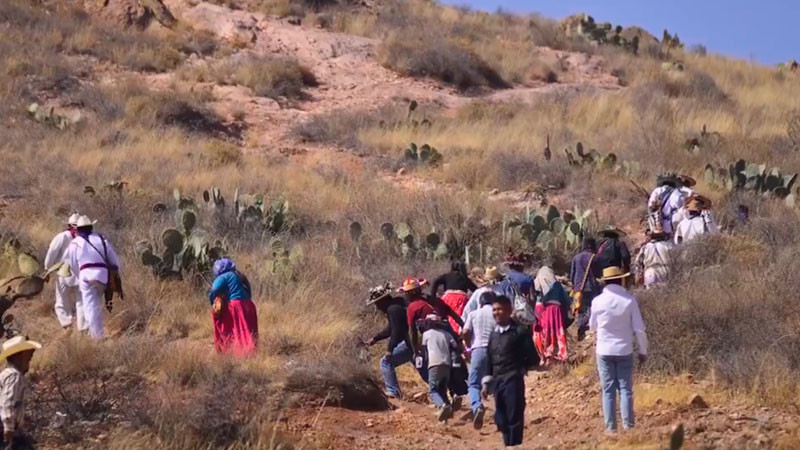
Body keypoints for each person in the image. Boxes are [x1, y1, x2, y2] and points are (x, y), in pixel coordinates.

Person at [590, 267, 648, 434]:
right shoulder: (629, 300)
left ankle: (611, 429)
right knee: (625, 389)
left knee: (607, 390)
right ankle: (628, 427)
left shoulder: (597, 301)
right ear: (621, 280)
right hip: (624, 350)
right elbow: (639, 329)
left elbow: (593, 326)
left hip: (604, 350)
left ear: (605, 282)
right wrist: (643, 350)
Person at [481, 295, 539, 447]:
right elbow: (489, 358)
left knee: (514, 415)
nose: (496, 313)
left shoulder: (519, 333)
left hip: (513, 379)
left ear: (509, 310)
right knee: (500, 418)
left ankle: (514, 445)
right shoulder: (493, 335)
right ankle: (508, 444)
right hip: (497, 382)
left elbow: (533, 358)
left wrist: (521, 367)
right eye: (494, 310)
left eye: (500, 309)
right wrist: (486, 383)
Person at [67, 216, 121, 340]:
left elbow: (73, 264)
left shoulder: (75, 243)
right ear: (91, 227)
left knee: (90, 305)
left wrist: (79, 274)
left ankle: (96, 336)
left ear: (78, 229)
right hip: (102, 276)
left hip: (86, 276)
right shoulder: (102, 239)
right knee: (96, 303)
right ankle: (97, 333)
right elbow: (115, 261)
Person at [366, 285, 415, 399]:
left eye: (377, 303)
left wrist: (390, 349)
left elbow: (396, 331)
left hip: (410, 342)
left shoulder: (393, 309)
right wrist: (375, 338)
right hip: (415, 341)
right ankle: (442, 394)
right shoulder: (398, 304)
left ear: (383, 300)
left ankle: (393, 392)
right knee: (424, 370)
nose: (377, 307)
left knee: (386, 362)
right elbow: (391, 329)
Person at [460, 290, 496, 429]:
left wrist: (468, 346)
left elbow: (465, 332)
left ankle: (477, 406)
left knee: (473, 384)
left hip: (478, 350)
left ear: (480, 302)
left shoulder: (473, 314)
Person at [209, 258, 258, 356]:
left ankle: (236, 352)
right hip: (249, 305)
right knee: (248, 330)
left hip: (236, 306)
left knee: (233, 328)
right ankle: (252, 354)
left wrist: (212, 301)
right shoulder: (239, 275)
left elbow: (214, 289)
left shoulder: (223, 277)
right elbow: (248, 289)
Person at [44, 213, 86, 332]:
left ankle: (67, 324)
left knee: (62, 301)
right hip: (80, 274)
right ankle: (83, 328)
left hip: (64, 274)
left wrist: (48, 268)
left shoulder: (62, 237)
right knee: (81, 302)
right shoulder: (85, 238)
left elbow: (52, 253)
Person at [0, 335, 41, 448]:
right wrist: (8, 427)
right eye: (28, 355)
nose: (30, 357)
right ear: (20, 356)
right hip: (5, 428)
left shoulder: (7, 374)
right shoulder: (13, 376)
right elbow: (7, 402)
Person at [421, 314, 460, 422]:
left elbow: (424, 351)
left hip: (434, 363)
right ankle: (445, 418)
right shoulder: (447, 334)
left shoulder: (426, 334)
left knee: (433, 390)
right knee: (442, 389)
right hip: (447, 364)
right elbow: (455, 346)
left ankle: (442, 406)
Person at [533, 267, 572, 364]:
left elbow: (533, 298)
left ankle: (543, 357)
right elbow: (567, 300)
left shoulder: (537, 283)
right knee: (556, 331)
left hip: (541, 311)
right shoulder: (557, 285)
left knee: (542, 333)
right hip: (556, 311)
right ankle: (557, 354)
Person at [430, 260, 478, 333]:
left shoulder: (446, 276)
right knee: (460, 319)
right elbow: (474, 289)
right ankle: (458, 335)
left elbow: (436, 281)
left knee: (447, 318)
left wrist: (433, 296)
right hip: (461, 301)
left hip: (447, 299)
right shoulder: (464, 278)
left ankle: (447, 333)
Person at [570, 237, 601, 341]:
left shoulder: (576, 258)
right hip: (591, 287)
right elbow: (598, 273)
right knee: (591, 308)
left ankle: (580, 330)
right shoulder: (594, 258)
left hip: (578, 288)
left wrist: (574, 286)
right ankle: (588, 330)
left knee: (581, 309)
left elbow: (572, 275)